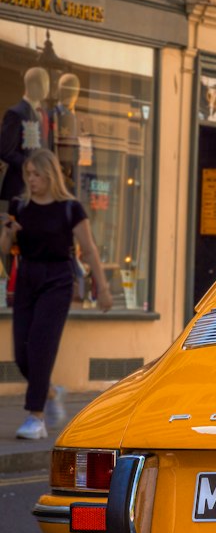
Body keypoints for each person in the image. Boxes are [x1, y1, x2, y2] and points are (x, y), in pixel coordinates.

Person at [0, 149, 112, 441]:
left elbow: (89, 250)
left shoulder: (70, 208)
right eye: (28, 175)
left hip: (58, 280)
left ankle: (35, 417)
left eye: (36, 174)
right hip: (26, 277)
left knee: (41, 345)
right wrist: (9, 231)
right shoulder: (20, 205)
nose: (31, 180)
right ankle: (50, 392)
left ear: (50, 175)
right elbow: (5, 250)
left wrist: (102, 287)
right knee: (21, 353)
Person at [0, 66, 51, 206]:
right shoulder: (15, 114)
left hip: (39, 190)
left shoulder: (43, 114)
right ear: (33, 85)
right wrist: (30, 165)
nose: (48, 89)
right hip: (19, 187)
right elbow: (5, 151)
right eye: (45, 84)